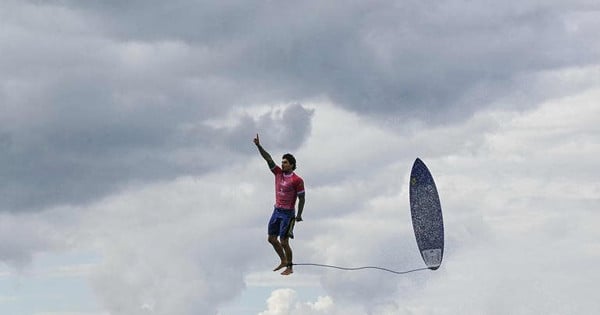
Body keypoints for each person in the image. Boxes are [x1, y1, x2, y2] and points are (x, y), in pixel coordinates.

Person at [253, 133, 305, 276]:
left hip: (288, 214)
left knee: (284, 241)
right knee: (271, 239)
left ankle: (290, 266)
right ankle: (283, 260)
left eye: (285, 163)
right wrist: (259, 146)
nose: (282, 164)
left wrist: (299, 215)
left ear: (292, 165)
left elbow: (302, 198)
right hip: (277, 211)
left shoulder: (297, 180)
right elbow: (268, 158)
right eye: (282, 162)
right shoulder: (278, 173)